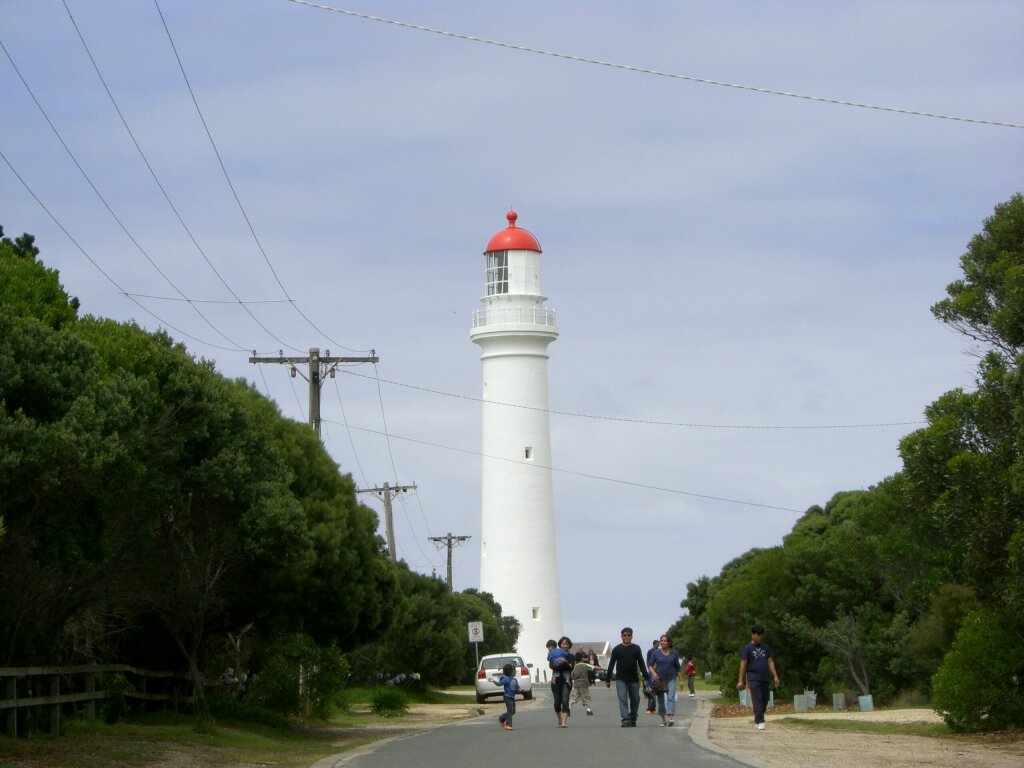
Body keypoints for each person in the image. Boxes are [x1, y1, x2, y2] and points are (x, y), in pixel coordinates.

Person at [736, 624, 780, 730]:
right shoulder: (747, 648)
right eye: (758, 635)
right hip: (753, 677)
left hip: (764, 677)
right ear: (752, 635)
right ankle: (760, 720)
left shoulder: (765, 647)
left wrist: (775, 676)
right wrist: (740, 680)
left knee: (765, 699)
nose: (760, 637)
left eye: (761, 635)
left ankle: (758, 716)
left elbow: (770, 661)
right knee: (757, 699)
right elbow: (743, 665)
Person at [605, 627, 651, 727]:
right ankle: (625, 719)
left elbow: (642, 663)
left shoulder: (636, 648)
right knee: (623, 699)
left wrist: (646, 677)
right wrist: (607, 678)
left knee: (635, 699)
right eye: (625, 635)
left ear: (632, 636)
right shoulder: (617, 649)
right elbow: (611, 664)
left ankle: (633, 717)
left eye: (629, 635)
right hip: (621, 679)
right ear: (621, 637)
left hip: (634, 678)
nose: (627, 637)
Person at [648, 634, 682, 726]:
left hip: (671, 678)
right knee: (661, 700)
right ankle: (663, 719)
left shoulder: (674, 653)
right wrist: (654, 673)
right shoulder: (656, 653)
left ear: (669, 643)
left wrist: (681, 680)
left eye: (665, 640)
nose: (663, 642)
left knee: (671, 698)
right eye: (661, 640)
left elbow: (678, 667)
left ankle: (670, 718)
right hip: (660, 680)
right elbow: (650, 665)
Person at [548, 636, 575, 727]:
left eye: (567, 644)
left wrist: (565, 663)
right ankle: (559, 718)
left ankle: (564, 722)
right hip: (556, 680)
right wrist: (563, 664)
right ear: (560, 644)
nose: (565, 646)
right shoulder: (553, 654)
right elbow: (552, 666)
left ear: (569, 645)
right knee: (557, 702)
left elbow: (571, 667)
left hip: (566, 681)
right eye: (563, 644)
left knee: (565, 700)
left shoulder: (571, 656)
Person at [494, 663, 520, 730]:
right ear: (510, 671)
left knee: (513, 711)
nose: (515, 672)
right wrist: (493, 681)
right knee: (510, 710)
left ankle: (502, 718)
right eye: (514, 670)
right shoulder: (506, 679)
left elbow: (517, 688)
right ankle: (509, 724)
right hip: (507, 697)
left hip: (512, 697)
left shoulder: (515, 680)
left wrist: (520, 690)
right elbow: (499, 684)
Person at [570, 651, 594, 715]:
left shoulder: (575, 666)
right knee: (586, 697)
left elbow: (572, 675)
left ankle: (568, 708)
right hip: (584, 683)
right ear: (582, 658)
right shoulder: (585, 665)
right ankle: (588, 710)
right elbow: (592, 668)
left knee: (575, 697)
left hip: (576, 684)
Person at [643, 640, 659, 714]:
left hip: (658, 672)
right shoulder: (650, 651)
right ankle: (650, 708)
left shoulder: (659, 651)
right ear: (654, 644)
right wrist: (650, 669)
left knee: (655, 691)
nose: (658, 645)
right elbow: (648, 662)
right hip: (651, 671)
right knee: (651, 690)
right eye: (657, 644)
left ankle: (653, 708)